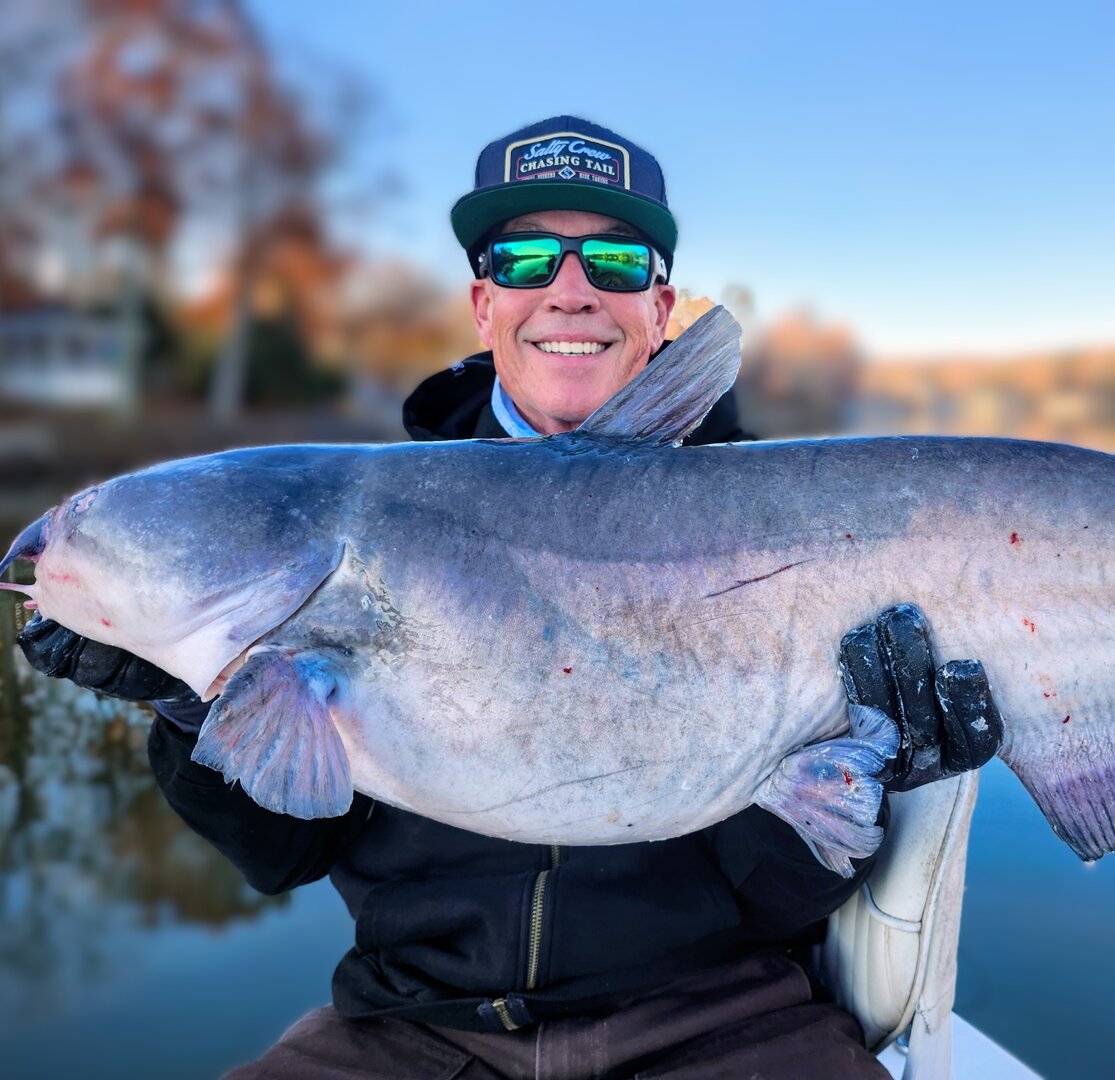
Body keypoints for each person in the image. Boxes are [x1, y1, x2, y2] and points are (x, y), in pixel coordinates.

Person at [19, 116, 1003, 1079]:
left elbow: (779, 896)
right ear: (483, 305)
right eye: (528, 259)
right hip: (414, 1023)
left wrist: (875, 759)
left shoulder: (804, 529)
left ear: (661, 309)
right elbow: (282, 851)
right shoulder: (355, 514)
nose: (570, 292)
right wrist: (189, 702)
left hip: (725, 1016)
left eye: (614, 262)